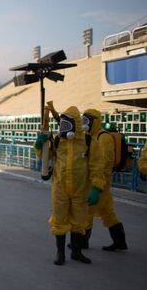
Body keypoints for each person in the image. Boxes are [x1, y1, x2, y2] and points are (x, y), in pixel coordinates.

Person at [35, 106, 104, 266]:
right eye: (62, 126)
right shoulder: (58, 141)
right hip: (60, 188)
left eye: (66, 126)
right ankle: (60, 253)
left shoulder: (88, 142)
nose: (63, 130)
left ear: (76, 125)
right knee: (59, 220)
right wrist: (39, 145)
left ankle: (76, 252)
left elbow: (96, 166)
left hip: (81, 189)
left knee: (79, 221)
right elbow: (44, 156)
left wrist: (96, 187)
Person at [82, 109, 128, 251]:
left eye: (86, 121)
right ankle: (120, 242)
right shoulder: (91, 136)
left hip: (99, 182)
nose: (84, 124)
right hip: (100, 182)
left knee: (87, 212)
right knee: (107, 212)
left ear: (94, 122)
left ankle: (82, 243)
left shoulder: (103, 138)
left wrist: (97, 186)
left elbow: (106, 163)